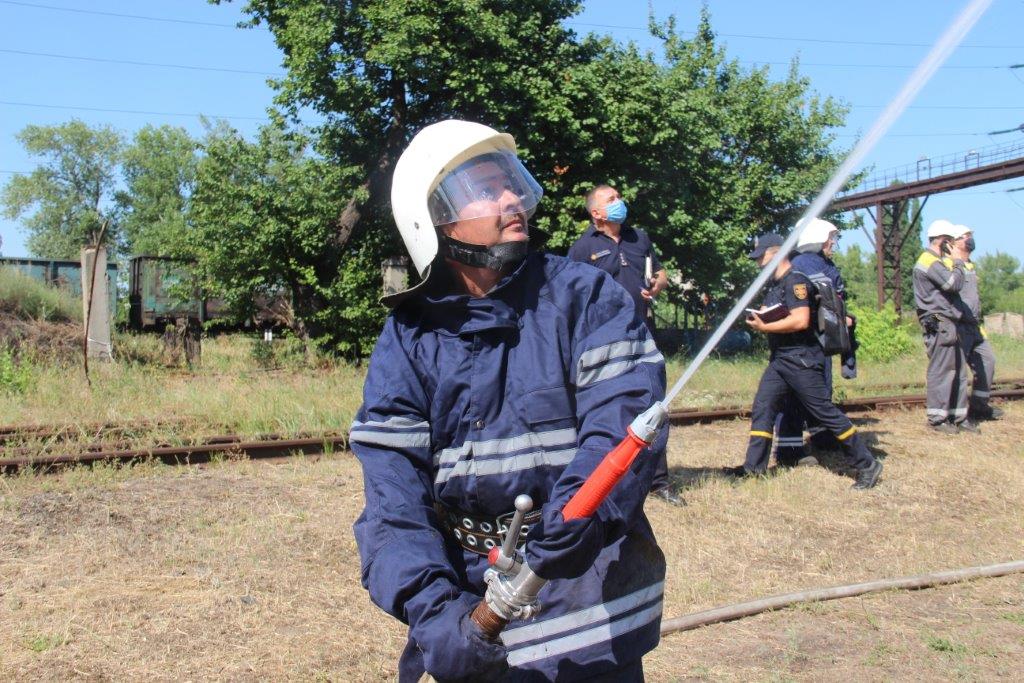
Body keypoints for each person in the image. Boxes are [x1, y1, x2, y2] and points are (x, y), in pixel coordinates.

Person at [350, 120, 669, 682]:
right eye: (484, 188)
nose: (511, 199)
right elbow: (392, 499)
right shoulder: (408, 335)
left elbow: (622, 423)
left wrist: (580, 517)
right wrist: (435, 613)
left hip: (585, 610)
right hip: (470, 609)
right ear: (435, 220)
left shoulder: (583, 297)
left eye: (511, 183)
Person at [723, 233, 882, 489]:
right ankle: (753, 469)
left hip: (801, 360)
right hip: (781, 360)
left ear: (775, 254)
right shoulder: (775, 285)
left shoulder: (796, 281)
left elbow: (800, 320)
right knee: (763, 409)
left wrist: (765, 327)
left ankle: (867, 464)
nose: (758, 264)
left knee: (824, 412)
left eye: (760, 258)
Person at [567, 185, 680, 505]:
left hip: (643, 337)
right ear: (596, 213)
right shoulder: (581, 248)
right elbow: (573, 297)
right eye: (611, 200)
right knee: (605, 412)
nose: (620, 203)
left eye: (619, 197)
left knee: (655, 407)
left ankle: (659, 482)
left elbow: (660, 273)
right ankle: (604, 480)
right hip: (603, 343)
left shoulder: (638, 237)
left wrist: (659, 283)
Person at [775, 218, 856, 465]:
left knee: (819, 394)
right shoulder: (805, 265)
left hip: (818, 342)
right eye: (831, 238)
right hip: (806, 344)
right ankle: (789, 451)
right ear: (819, 239)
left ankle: (822, 438)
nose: (833, 243)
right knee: (800, 396)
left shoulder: (816, 263)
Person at [912, 219, 979, 434]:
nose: (954, 245)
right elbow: (953, 284)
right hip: (940, 322)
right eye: (950, 241)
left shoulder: (936, 260)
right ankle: (937, 418)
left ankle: (957, 416)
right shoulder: (929, 261)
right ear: (942, 241)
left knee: (958, 370)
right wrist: (958, 261)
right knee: (942, 370)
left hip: (950, 322)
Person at [950, 223, 1003, 421]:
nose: (970, 239)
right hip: (959, 326)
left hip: (975, 327)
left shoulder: (970, 264)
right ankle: (958, 413)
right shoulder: (950, 265)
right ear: (955, 242)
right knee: (959, 371)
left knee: (987, 361)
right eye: (966, 236)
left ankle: (979, 407)